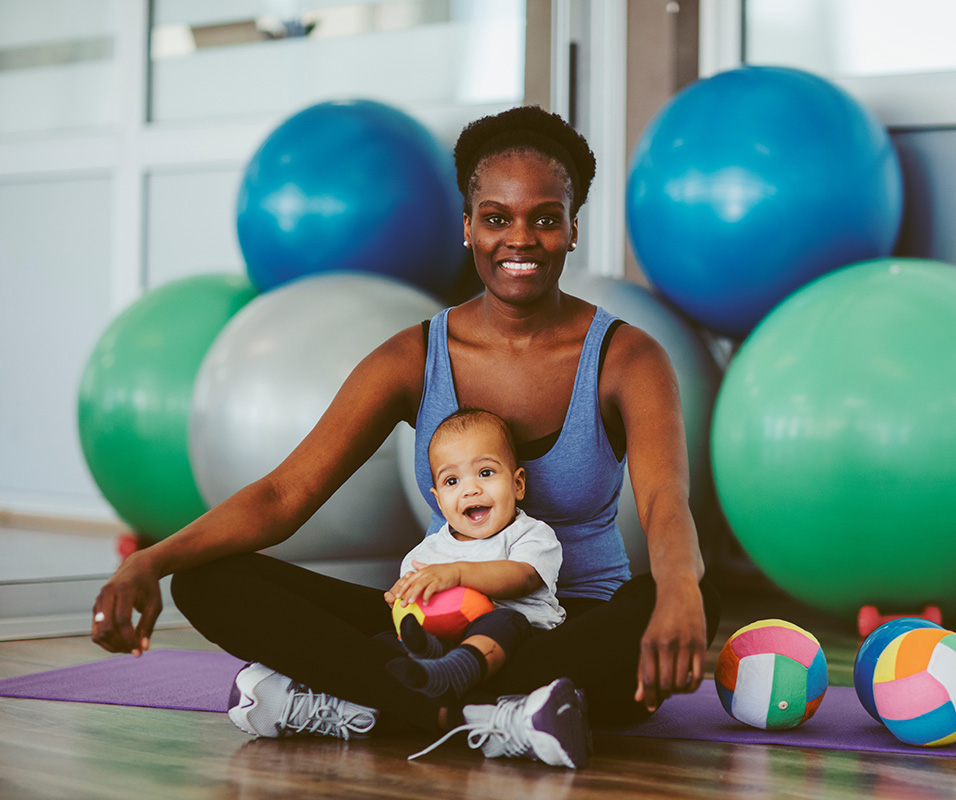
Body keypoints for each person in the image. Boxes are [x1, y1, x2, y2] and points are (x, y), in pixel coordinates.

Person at [91, 105, 721, 770]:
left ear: (570, 230)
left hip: (572, 626)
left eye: (544, 217)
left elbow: (663, 503)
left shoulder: (628, 357)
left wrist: (679, 588)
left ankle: (382, 699)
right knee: (205, 579)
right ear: (468, 227)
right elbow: (283, 495)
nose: (521, 238)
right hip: (433, 627)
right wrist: (151, 561)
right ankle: (480, 707)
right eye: (496, 217)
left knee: (691, 594)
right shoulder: (413, 357)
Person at [386, 407, 565, 705]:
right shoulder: (426, 554)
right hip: (448, 638)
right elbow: (416, 603)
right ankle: (432, 660)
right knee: (388, 639)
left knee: (505, 619)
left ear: (517, 484)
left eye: (486, 473)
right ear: (440, 502)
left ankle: (457, 669)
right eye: (452, 481)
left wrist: (456, 573)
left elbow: (522, 578)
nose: (470, 489)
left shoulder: (531, 534)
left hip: (523, 646)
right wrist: (402, 597)